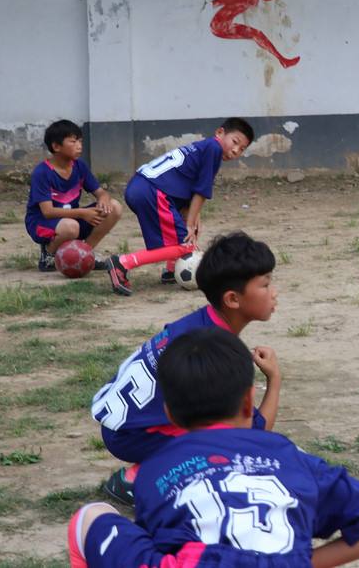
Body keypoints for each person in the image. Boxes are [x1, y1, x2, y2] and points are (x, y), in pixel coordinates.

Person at [70, 327, 359, 568]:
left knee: (91, 517)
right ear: (249, 401)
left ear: (170, 412)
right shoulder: (295, 460)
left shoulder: (152, 470)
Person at [93, 232, 280, 506]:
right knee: (230, 447)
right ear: (232, 299)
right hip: (135, 436)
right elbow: (254, 432)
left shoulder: (197, 326)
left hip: (123, 425)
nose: (274, 292)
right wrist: (274, 378)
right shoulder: (217, 354)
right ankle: (139, 478)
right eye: (265, 285)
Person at [107, 117, 255, 295]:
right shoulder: (214, 148)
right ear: (220, 132)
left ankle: (171, 270)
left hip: (142, 186)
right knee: (186, 244)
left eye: (241, 149)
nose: (235, 150)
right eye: (235, 142)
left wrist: (193, 218)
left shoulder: (205, 146)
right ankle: (123, 262)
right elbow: (201, 191)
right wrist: (190, 224)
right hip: (153, 191)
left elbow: (191, 186)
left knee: (187, 233)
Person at [25, 120, 122, 272]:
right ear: (56, 146)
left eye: (80, 141)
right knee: (71, 227)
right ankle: (49, 256)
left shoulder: (79, 166)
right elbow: (47, 212)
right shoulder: (42, 172)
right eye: (73, 141)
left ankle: (84, 253)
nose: (79, 145)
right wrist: (83, 213)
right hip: (42, 224)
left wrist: (103, 199)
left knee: (114, 207)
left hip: (72, 219)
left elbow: (100, 192)